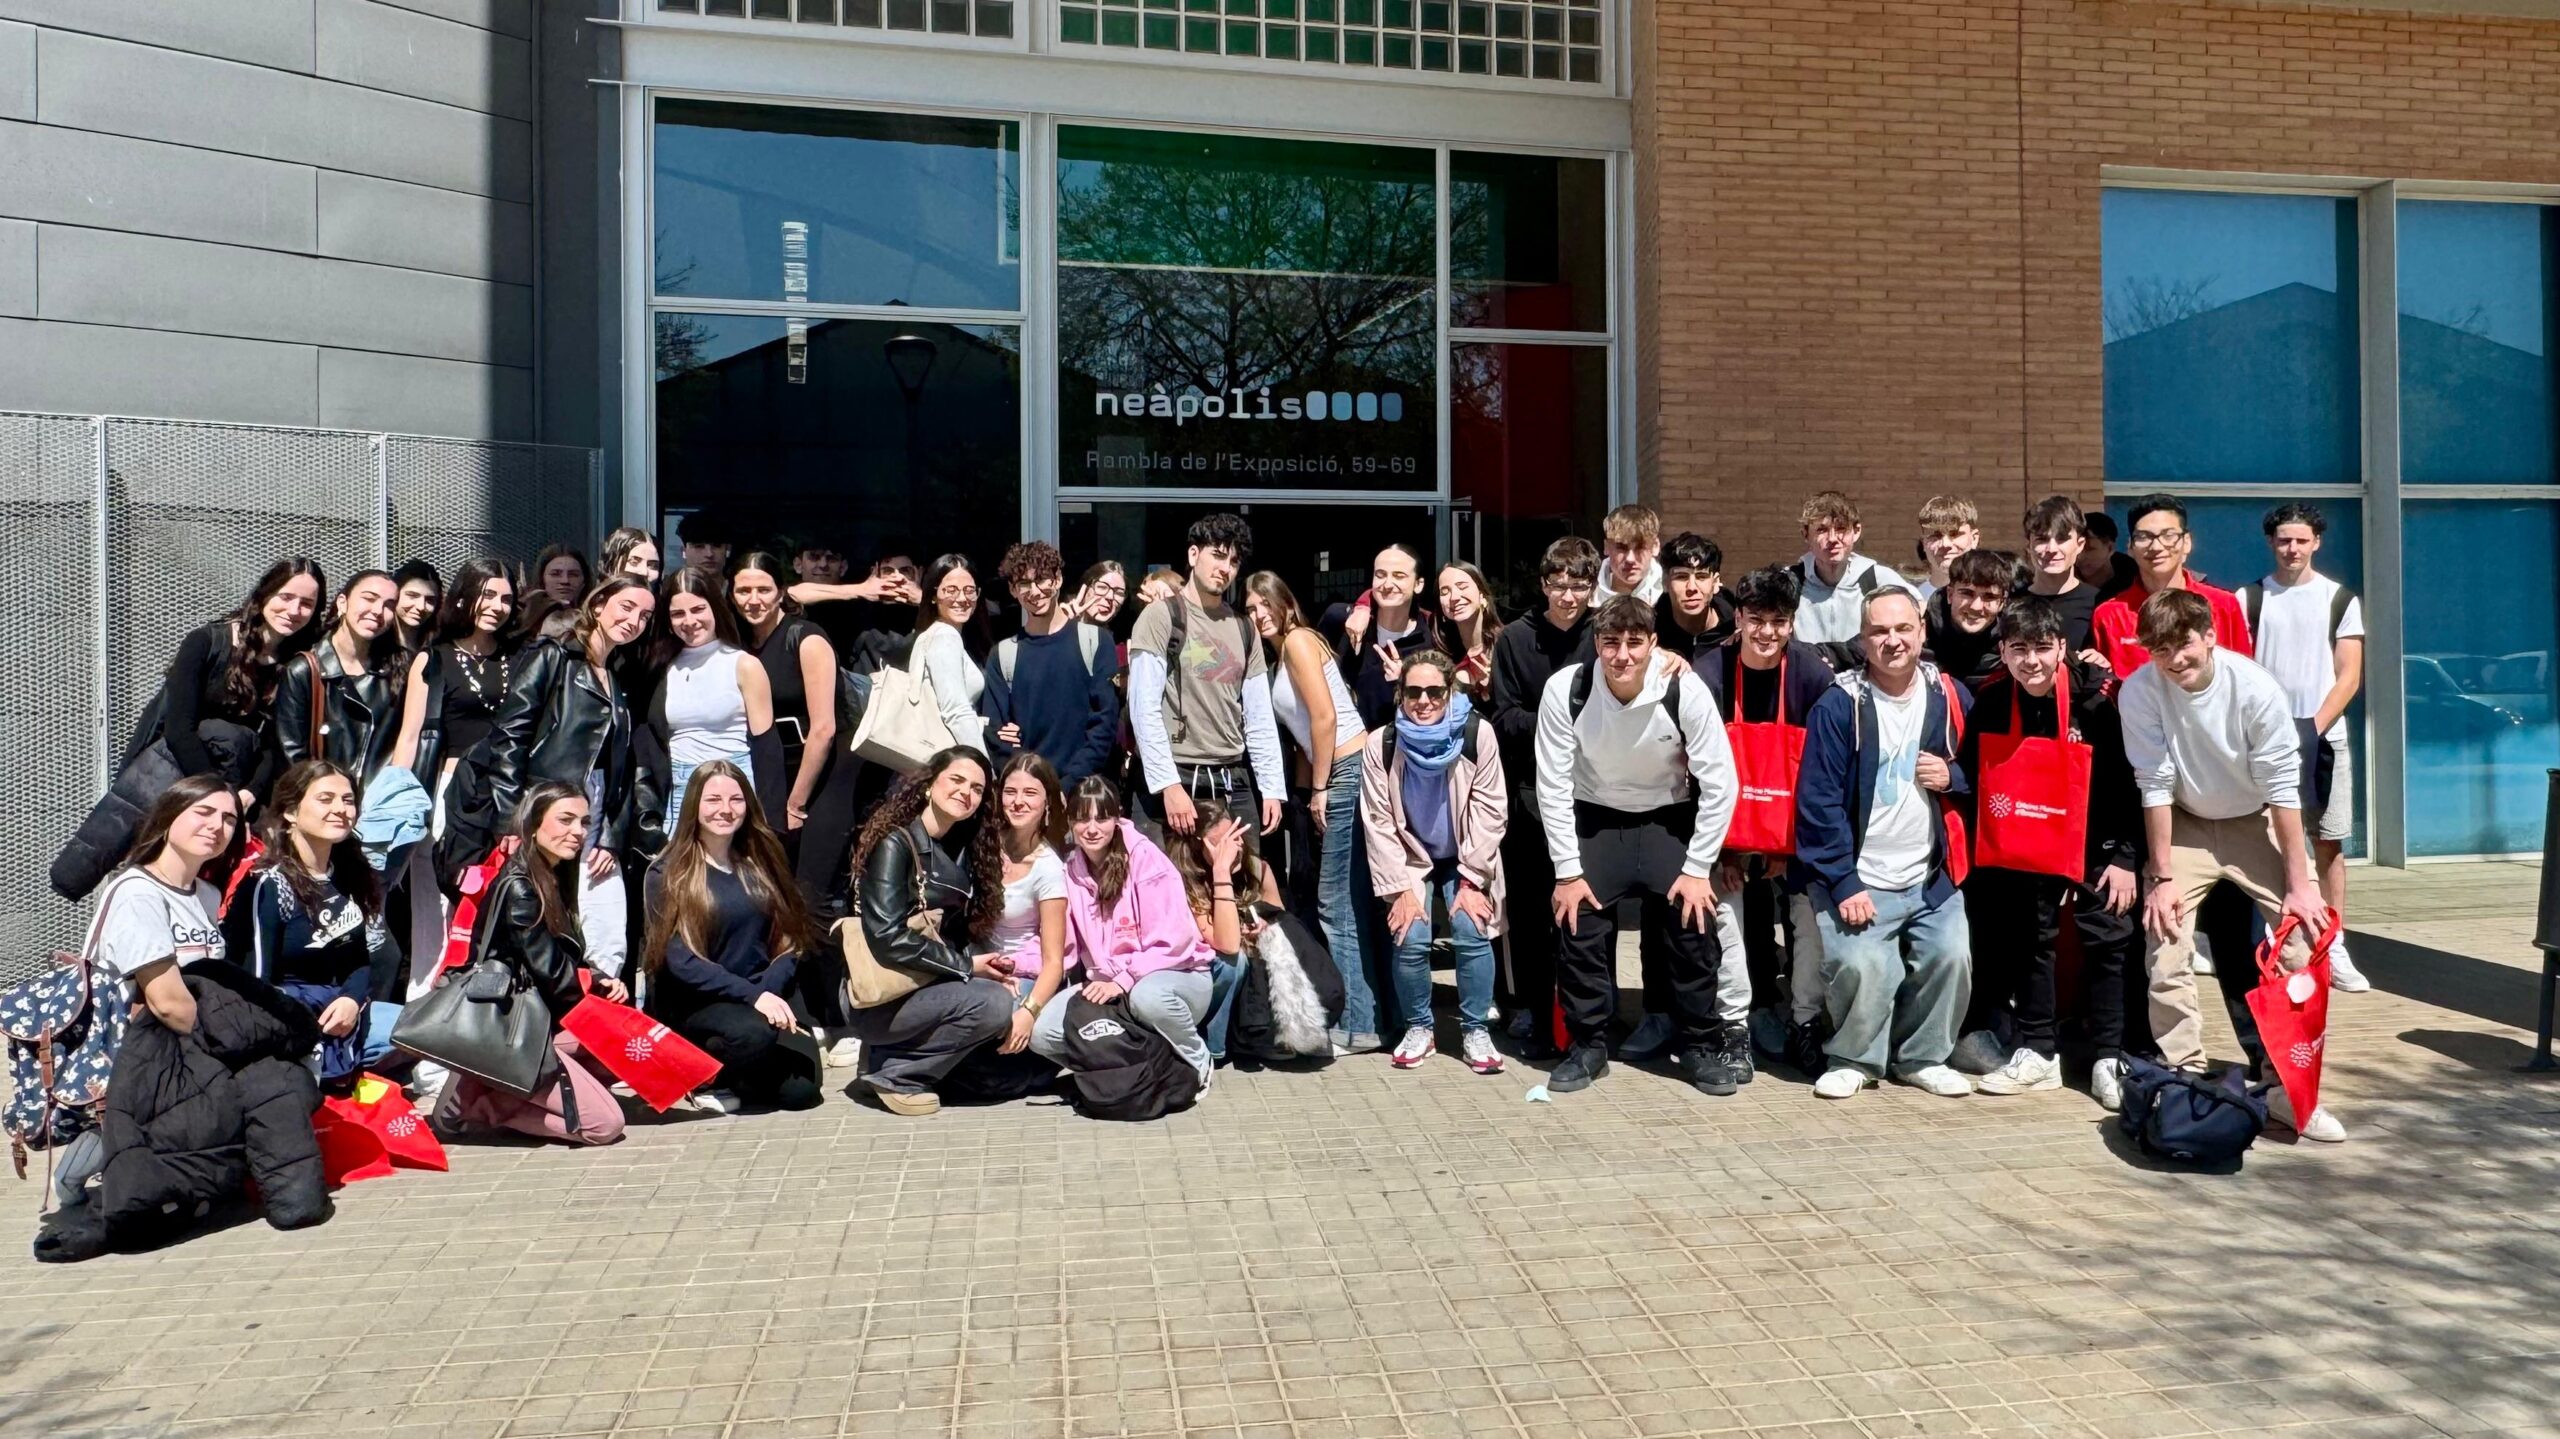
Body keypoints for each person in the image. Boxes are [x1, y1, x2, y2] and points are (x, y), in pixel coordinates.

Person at [2118, 590, 2346, 1142]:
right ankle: (2182, 1082)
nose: (2174, 660)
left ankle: (2291, 1091)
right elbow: (2155, 784)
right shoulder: (2140, 691)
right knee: (2166, 938)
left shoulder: (2255, 688)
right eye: (2160, 650)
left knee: (2301, 943)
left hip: (2255, 818)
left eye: (2184, 645)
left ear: (2210, 636)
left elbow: (2283, 788)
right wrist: (2161, 877)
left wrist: (2300, 885)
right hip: (2186, 823)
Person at [1535, 595, 1742, 1096]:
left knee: (1693, 925)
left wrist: (1698, 869)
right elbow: (1552, 784)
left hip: (1666, 816)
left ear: (1653, 643)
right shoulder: (1566, 689)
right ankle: (1588, 1045)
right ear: (1596, 643)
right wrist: (1567, 872)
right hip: (1596, 816)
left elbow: (1722, 783)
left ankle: (1699, 1044)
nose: (1622, 655)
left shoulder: (1683, 688)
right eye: (1611, 642)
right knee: (1577, 922)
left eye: (1634, 642)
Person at [1949, 600, 2142, 1104]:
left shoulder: (2098, 702)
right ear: (2002, 652)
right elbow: (1973, 772)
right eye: (2018, 649)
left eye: (2041, 648)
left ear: (2061, 647)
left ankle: (2108, 1056)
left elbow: (2131, 785)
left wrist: (2124, 858)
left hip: (2097, 841)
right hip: (2028, 841)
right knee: (2032, 940)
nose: (2031, 661)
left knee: (2108, 940)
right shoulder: (1993, 701)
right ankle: (2038, 1051)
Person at [1793, 587, 1976, 1100]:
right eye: (1879, 631)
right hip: (1859, 876)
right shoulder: (1840, 704)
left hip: (1929, 876)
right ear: (1862, 638)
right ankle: (1853, 1058)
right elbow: (1817, 802)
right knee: (1863, 966)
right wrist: (1843, 881)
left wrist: (1955, 776)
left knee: (1951, 957)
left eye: (1902, 629)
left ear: (1921, 630)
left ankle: (1922, 1057)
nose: (1892, 640)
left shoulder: (1949, 695)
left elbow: (1987, 769)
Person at [53, 559, 323, 902]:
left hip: (241, 792)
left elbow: (276, 742)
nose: (294, 610)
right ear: (264, 594)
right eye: (286, 597)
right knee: (159, 876)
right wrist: (217, 795)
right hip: (178, 777)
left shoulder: (297, 663)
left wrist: (249, 793)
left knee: (220, 889)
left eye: (307, 604)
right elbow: (180, 728)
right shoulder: (207, 641)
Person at [44, 777, 244, 1212]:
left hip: (183, 1035)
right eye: (203, 812)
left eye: (229, 818)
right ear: (169, 817)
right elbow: (165, 1000)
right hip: (134, 1044)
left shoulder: (207, 895)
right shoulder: (137, 892)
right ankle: (80, 1168)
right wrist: (229, 1042)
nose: (217, 826)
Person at [444, 576, 657, 978]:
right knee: (539, 917)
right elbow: (511, 737)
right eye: (626, 607)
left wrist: (610, 835)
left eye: (645, 616)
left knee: (606, 930)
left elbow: (620, 767)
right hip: (542, 808)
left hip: (593, 813)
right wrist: (510, 818)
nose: (634, 621)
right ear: (598, 605)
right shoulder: (554, 656)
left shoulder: (619, 676)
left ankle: (597, 1003)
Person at [1700, 566, 1838, 1078]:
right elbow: (1693, 770)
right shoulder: (1709, 673)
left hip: (1793, 832)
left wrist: (1786, 847)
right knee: (1726, 913)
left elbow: (1826, 769)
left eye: (1779, 622)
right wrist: (1722, 850)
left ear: (1792, 623)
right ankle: (1733, 1026)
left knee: (1808, 916)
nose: (1766, 632)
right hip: (1724, 830)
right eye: (1756, 620)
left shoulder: (1811, 675)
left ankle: (1805, 1022)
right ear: (1738, 617)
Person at [435, 783, 629, 1146]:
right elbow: (553, 974)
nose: (578, 831)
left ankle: (486, 1084)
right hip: (515, 1028)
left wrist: (601, 978)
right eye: (566, 820)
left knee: (625, 1046)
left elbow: (566, 957)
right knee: (604, 1126)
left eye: (585, 822)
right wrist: (594, 988)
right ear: (533, 825)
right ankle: (479, 1104)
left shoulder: (554, 875)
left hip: (541, 1023)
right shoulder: (520, 887)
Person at [1244, 571, 1381, 1052]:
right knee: (1344, 900)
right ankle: (1366, 1018)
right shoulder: (1281, 653)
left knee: (1336, 904)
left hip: (1346, 768)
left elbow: (1324, 718)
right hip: (1330, 772)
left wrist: (1320, 788)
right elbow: (1302, 735)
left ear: (1285, 602)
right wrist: (1301, 795)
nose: (1258, 614)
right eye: (1250, 608)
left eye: (1265, 603)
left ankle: (1357, 1026)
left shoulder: (1300, 641)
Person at [2237, 502, 2370, 994]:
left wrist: (2310, 729)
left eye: (2301, 540)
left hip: (2325, 739)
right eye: (2283, 540)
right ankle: (2277, 941)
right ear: (2270, 542)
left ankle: (2333, 944)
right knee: (2266, 841)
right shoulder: (2249, 598)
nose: (2292, 549)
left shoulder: (2340, 599)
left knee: (2327, 842)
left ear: (2317, 542)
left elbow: (2349, 675)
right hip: (2263, 743)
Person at [844, 747, 1018, 1116]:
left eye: (976, 789)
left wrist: (982, 967)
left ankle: (883, 1058)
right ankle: (896, 1076)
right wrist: (966, 967)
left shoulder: (961, 847)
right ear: (929, 783)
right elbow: (888, 936)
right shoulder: (895, 843)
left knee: (1001, 1030)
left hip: (923, 989)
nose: (965, 792)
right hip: (882, 995)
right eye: (956, 780)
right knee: (993, 1004)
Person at [641, 761, 821, 1114]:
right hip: (700, 1002)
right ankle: (703, 1075)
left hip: (762, 993)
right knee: (752, 1035)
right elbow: (680, 961)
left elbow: (792, 938)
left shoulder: (762, 860)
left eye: (736, 799)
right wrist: (754, 996)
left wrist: (768, 990)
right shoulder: (667, 872)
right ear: (693, 805)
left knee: (802, 1092)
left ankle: (739, 1076)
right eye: (713, 800)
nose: (725, 809)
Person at [1360, 650, 1508, 1075]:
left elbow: (1490, 810)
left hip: (1466, 851)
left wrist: (1472, 880)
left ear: (1449, 692)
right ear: (1400, 695)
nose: (1423, 701)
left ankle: (1476, 1029)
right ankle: (1419, 1028)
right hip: (1410, 854)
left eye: (1434, 692)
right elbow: (1378, 820)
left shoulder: (1477, 734)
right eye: (1413, 692)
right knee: (1410, 933)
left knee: (1471, 926)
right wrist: (1399, 891)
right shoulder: (1381, 743)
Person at [1038, 778, 1226, 1086]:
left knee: (1147, 998)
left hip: (1175, 976)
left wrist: (1123, 980)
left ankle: (1197, 1060)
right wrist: (1017, 968)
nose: (1092, 828)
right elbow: (1064, 946)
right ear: (1070, 821)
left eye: (1102, 818)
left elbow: (1174, 942)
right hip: (1106, 983)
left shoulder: (1145, 857)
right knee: (1043, 1032)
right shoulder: (1070, 869)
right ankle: (1132, 1068)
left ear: (1117, 817)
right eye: (1082, 819)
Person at [1487, 537, 1599, 1052]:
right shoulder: (1514, 639)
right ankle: (1533, 1011)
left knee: (1587, 913)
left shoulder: (1604, 633)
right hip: (1530, 795)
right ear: (1543, 585)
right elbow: (1504, 717)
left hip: (1594, 794)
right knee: (1532, 913)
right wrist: (1562, 724)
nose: (1568, 596)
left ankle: (1588, 1017)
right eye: (1559, 585)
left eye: (1579, 586)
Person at [1126, 513, 1286, 865]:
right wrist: (1168, 786)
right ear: (1193, 554)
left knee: (1246, 884)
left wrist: (1272, 787)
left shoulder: (1245, 628)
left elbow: (1259, 716)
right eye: (1218, 555)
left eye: (1234, 561)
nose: (1225, 568)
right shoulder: (1161, 616)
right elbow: (1143, 708)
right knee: (1169, 888)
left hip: (1233, 778)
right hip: (1177, 774)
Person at [224, 759, 395, 1085]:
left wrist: (351, 1000)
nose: (340, 809)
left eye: (347, 800)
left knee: (422, 1031)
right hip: (288, 1023)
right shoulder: (269, 884)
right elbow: (255, 983)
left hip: (340, 1011)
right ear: (291, 812)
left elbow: (359, 961)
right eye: (325, 799)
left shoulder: (349, 875)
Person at [731, 554, 860, 942]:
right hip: (773, 771)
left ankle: (828, 979)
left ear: (781, 592)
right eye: (743, 590)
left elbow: (823, 729)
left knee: (811, 897)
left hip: (825, 775)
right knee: (771, 893)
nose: (753, 599)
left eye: (763, 589)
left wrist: (795, 803)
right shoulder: (737, 644)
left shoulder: (806, 638)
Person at [650, 567, 781, 831]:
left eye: (698, 609)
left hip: (732, 786)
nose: (689, 621)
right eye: (678, 614)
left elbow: (767, 748)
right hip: (679, 789)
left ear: (715, 609)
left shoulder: (744, 664)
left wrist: (771, 820)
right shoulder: (662, 667)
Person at [983, 542, 1122, 788]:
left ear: (1058, 580)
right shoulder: (1003, 654)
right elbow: (996, 733)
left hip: (1083, 792)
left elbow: (1104, 723)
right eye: (1024, 583)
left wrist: (1066, 787)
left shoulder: (1096, 642)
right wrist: (1031, 788)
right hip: (1028, 794)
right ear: (1013, 590)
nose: (1034, 591)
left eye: (1042, 580)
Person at [971, 753, 1075, 1062]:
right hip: (975, 962)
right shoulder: (983, 843)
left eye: (1030, 793)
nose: (1018, 802)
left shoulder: (1048, 868)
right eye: (1010, 792)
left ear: (1047, 803)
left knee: (1002, 1017)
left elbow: (1054, 962)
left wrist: (1030, 1011)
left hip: (1023, 972)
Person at [2089, 494, 2254, 679]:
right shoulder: (2110, 615)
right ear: (2130, 547)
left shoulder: (2224, 606)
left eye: (2168, 535)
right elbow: (2105, 686)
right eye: (2144, 537)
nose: (2156, 546)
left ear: (2187, 542)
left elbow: (2244, 676)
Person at [273, 570, 407, 786]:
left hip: (382, 798)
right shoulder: (305, 670)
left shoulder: (399, 670)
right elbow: (293, 758)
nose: (377, 611)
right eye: (369, 599)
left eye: (389, 605)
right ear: (343, 603)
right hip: (326, 798)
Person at [1793, 491, 1913, 664]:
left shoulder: (1877, 579)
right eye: (1822, 530)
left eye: (1841, 528)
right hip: (1808, 677)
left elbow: (1919, 613)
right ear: (1805, 534)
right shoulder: (1791, 582)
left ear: (1856, 532)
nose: (1832, 539)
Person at [1329, 542, 1438, 729]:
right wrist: (1361, 606)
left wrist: (1405, 684)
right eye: (1380, 575)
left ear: (1418, 584)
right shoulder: (1342, 621)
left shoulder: (1431, 637)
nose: (1387, 584)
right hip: (1344, 744)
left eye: (1399, 576)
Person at [909, 554, 989, 755]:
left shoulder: (935, 634)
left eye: (969, 591)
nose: (961, 599)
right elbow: (956, 712)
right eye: (951, 590)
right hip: (946, 758)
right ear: (933, 595)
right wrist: (983, 766)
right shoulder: (945, 636)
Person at [2017, 495, 2106, 657]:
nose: (2052, 549)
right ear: (2029, 546)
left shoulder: (2099, 604)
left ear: (2080, 545)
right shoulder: (2012, 603)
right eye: (2042, 539)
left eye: (2062, 539)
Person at [1923, 548, 2012, 692]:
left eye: (1989, 597)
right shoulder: (1920, 639)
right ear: (1950, 595)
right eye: (1967, 593)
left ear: (2002, 603)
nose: (1976, 607)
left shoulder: (2013, 649)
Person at [1655, 532, 1736, 660]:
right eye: (1681, 577)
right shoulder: (1650, 632)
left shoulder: (1739, 629)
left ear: (1715, 583)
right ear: (1665, 583)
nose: (1692, 588)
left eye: (1701, 577)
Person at [1435, 561, 1504, 704]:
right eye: (1445, 591)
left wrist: (1489, 686)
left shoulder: (1507, 643)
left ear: (1482, 595)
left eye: (1462, 586)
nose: (1454, 597)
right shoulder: (1439, 654)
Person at [1913, 496, 1980, 603]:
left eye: (1954, 534)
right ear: (1923, 543)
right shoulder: (1911, 601)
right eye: (1936, 535)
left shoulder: (1993, 597)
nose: (1945, 544)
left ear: (1974, 539)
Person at [1596, 503, 1666, 605]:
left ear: (1655, 546)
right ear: (1606, 547)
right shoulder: (1587, 594)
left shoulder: (1669, 597)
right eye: (1621, 548)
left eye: (1640, 547)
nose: (1630, 559)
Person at [2078, 512, 2140, 603]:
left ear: (2110, 548)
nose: (2080, 556)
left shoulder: (2135, 581)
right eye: (2077, 549)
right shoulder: (2064, 581)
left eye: (2089, 549)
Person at [391, 561, 442, 657]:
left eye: (430, 600)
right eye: (413, 596)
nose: (421, 606)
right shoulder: (375, 643)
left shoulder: (439, 647)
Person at [676, 511, 734, 578]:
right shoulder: (671, 584)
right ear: (684, 551)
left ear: (727, 549)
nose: (709, 554)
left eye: (716, 545)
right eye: (699, 546)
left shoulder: (740, 584)